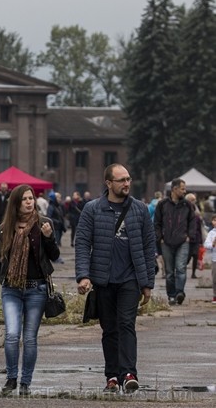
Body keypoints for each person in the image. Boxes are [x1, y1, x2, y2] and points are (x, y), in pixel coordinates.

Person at [75, 163, 156, 394]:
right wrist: (83, 275)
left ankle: (129, 374)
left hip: (130, 279)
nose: (127, 184)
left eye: (128, 179)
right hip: (103, 280)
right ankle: (112, 376)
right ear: (109, 183)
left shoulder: (140, 209)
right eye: (121, 180)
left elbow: (150, 246)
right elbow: (82, 243)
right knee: (109, 329)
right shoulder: (93, 209)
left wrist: (147, 283)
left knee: (126, 325)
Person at [0, 184, 59, 396]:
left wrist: (49, 237)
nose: (29, 202)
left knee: (29, 339)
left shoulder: (44, 224)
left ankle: (25, 382)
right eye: (25, 199)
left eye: (31, 198)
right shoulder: (4, 227)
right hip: (11, 289)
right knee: (11, 335)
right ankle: (11, 379)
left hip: (37, 290)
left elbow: (54, 256)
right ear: (16, 203)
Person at [154, 178, 196, 305]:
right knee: (169, 271)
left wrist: (189, 236)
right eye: (182, 188)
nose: (185, 191)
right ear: (174, 189)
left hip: (183, 241)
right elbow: (157, 223)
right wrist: (159, 237)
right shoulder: (162, 205)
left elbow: (192, 221)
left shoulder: (187, 205)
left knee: (181, 268)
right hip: (166, 242)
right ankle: (171, 295)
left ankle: (179, 293)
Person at [184, 193, 204, 279]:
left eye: (194, 200)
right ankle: (181, 270)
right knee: (187, 257)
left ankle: (193, 273)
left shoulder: (197, 213)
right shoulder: (184, 211)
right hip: (187, 238)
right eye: (192, 200)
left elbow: (200, 228)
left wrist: (201, 241)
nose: (194, 202)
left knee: (195, 255)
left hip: (196, 237)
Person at [46, 192, 66, 264]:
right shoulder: (51, 206)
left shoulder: (57, 206)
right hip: (55, 228)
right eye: (58, 197)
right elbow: (49, 217)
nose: (60, 199)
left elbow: (61, 216)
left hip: (59, 228)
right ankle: (56, 258)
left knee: (57, 243)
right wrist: (57, 222)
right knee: (55, 243)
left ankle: (56, 257)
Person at [203, 214, 216, 304]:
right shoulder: (211, 233)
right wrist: (213, 244)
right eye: (215, 220)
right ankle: (215, 296)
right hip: (215, 259)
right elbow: (206, 245)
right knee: (215, 278)